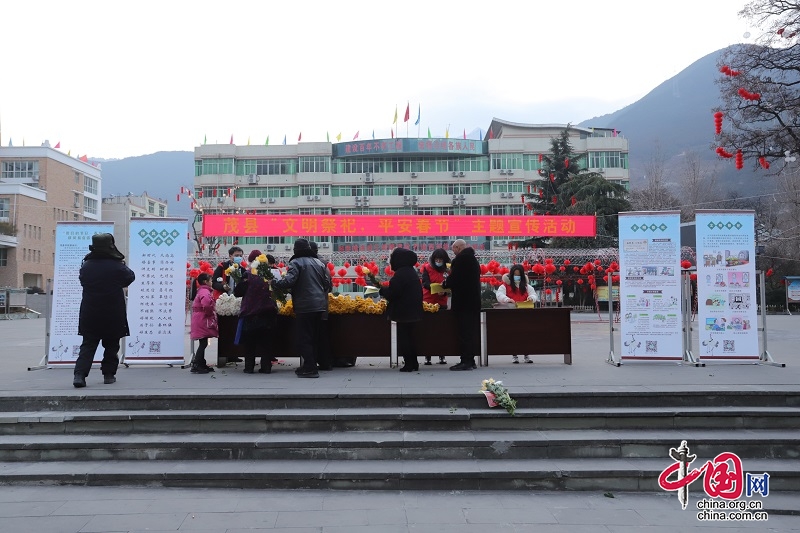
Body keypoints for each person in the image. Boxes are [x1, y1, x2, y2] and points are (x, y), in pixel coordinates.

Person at [73, 233, 136, 388]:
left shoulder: (86, 266)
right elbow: (130, 277)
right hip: (112, 311)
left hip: (90, 310)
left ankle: (79, 375)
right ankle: (108, 374)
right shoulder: (117, 266)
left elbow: (83, 281)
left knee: (88, 344)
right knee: (112, 344)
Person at [272, 238, 331, 378]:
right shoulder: (319, 262)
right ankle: (309, 365)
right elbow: (327, 283)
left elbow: (289, 281)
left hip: (305, 306)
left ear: (295, 250)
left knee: (304, 338)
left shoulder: (296, 262)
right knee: (314, 337)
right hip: (320, 305)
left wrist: (274, 282)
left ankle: (310, 368)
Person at [379, 247, 424, 372]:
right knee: (411, 338)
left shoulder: (400, 274)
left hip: (404, 312)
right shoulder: (411, 271)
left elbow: (394, 292)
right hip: (413, 311)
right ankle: (413, 363)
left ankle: (408, 364)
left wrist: (383, 290)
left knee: (404, 338)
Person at [234, 249, 278, 374]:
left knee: (250, 343)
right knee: (266, 342)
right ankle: (266, 367)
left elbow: (238, 292)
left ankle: (249, 367)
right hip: (268, 312)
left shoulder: (247, 275)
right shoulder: (270, 275)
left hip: (251, 313)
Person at [441, 239, 481, 371]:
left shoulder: (460, 260)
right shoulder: (473, 259)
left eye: (454, 250)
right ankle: (471, 360)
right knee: (470, 332)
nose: (453, 253)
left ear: (458, 247)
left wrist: (445, 284)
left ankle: (466, 361)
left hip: (464, 303)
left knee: (464, 333)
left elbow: (455, 279)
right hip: (473, 302)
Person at [495, 264, 538, 364]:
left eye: (519, 275)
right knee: (513, 334)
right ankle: (514, 355)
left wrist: (531, 298)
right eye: (515, 275)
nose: (517, 277)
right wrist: (507, 299)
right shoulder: (505, 285)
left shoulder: (527, 286)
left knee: (525, 334)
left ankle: (526, 354)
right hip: (512, 314)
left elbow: (533, 294)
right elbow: (499, 294)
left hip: (525, 314)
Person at [212, 245, 244, 362]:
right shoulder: (222, 267)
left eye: (240, 256)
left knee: (235, 328)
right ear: (230, 256)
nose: (238, 258)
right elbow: (214, 282)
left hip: (237, 303)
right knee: (225, 329)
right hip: (225, 302)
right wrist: (222, 286)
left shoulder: (242, 269)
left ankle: (234, 353)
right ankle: (225, 354)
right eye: (236, 256)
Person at [420, 248, 450, 365]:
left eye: (440, 259)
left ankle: (442, 356)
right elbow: (425, 283)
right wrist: (435, 288)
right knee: (428, 330)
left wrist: (445, 291)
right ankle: (428, 356)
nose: (438, 261)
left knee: (441, 331)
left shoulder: (448, 269)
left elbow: (451, 283)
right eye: (436, 259)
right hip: (428, 301)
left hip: (441, 302)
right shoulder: (427, 268)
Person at [189, 273, 218, 374]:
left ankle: (201, 363)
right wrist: (210, 313)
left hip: (200, 318)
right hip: (202, 318)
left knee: (203, 342)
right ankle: (197, 364)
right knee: (203, 343)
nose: (211, 282)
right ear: (205, 282)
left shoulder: (202, 290)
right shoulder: (205, 291)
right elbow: (206, 304)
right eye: (210, 280)